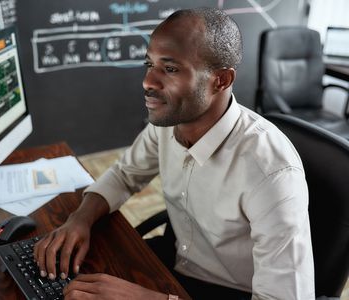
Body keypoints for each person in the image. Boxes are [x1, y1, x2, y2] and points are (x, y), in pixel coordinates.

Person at [34, 7, 315, 299]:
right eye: (149, 64)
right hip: (177, 260)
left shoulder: (271, 172)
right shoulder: (172, 121)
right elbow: (124, 175)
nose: (148, 82)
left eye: (170, 69)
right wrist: (80, 218)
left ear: (221, 80)